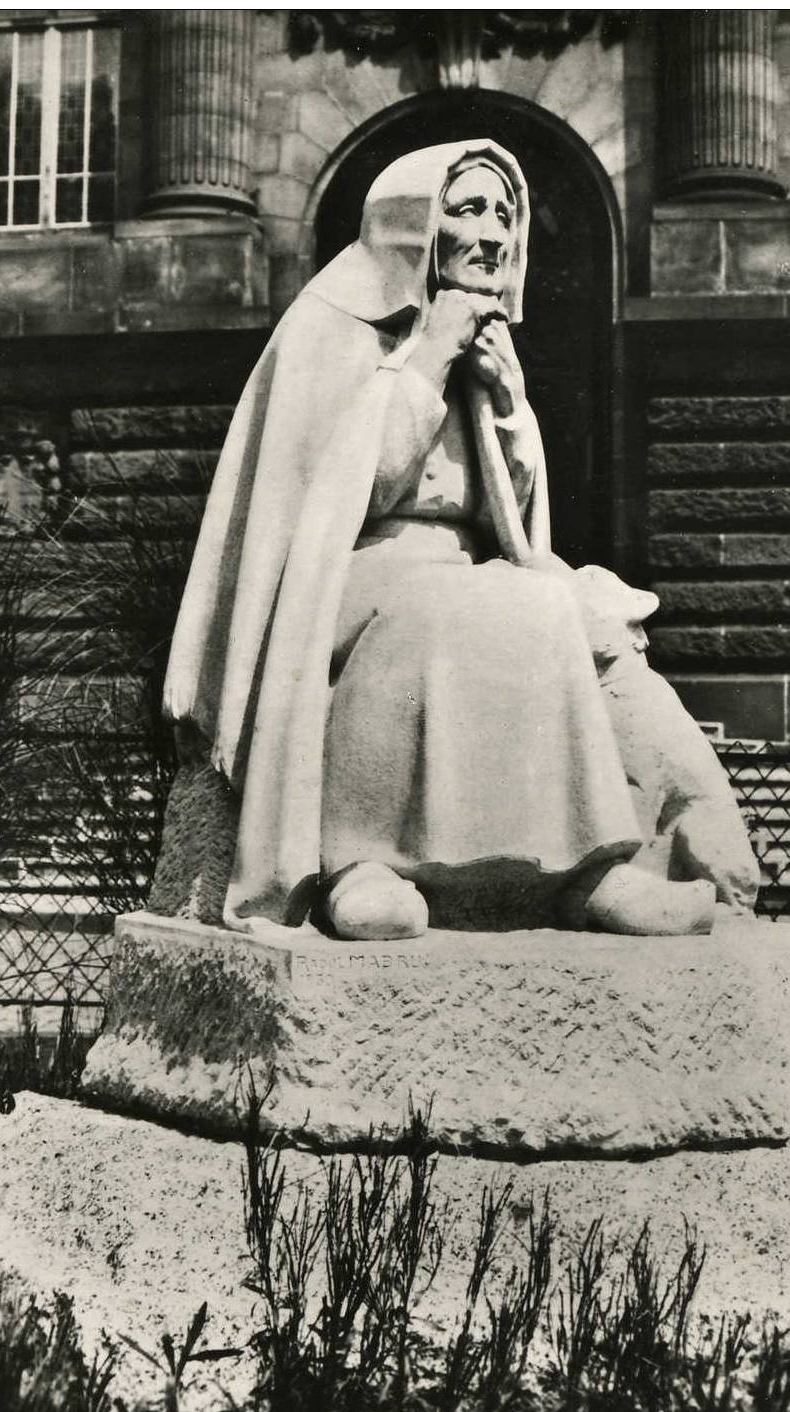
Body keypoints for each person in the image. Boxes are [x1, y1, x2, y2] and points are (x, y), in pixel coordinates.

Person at [163, 140, 717, 941]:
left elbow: (515, 522)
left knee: (540, 604)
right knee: (446, 610)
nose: (493, 235)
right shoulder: (331, 326)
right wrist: (427, 359)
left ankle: (584, 873)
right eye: (467, 210)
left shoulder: (485, 341)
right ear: (413, 226)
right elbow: (355, 489)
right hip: (344, 577)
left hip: (458, 572)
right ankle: (361, 864)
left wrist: (509, 401)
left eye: (504, 215)